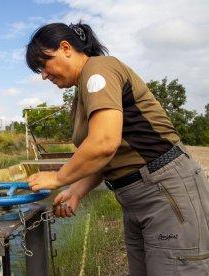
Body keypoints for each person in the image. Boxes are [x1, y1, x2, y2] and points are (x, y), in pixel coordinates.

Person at [25, 22, 209, 275]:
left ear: (66, 48)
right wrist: (76, 190)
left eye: (44, 63)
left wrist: (58, 177)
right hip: (135, 198)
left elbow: (104, 144)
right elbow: (108, 156)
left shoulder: (99, 69)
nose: (44, 75)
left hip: (164, 189)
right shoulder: (82, 93)